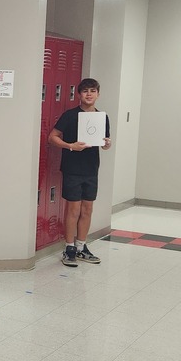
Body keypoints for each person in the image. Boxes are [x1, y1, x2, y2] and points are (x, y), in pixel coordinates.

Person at [47, 78, 111, 267]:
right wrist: (70, 146)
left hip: (91, 169)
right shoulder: (70, 115)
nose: (89, 94)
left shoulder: (102, 117)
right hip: (73, 168)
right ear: (79, 94)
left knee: (87, 209)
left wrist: (108, 144)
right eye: (85, 91)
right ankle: (69, 248)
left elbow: (104, 143)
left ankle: (82, 247)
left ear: (98, 94)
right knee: (73, 209)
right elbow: (52, 137)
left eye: (92, 91)